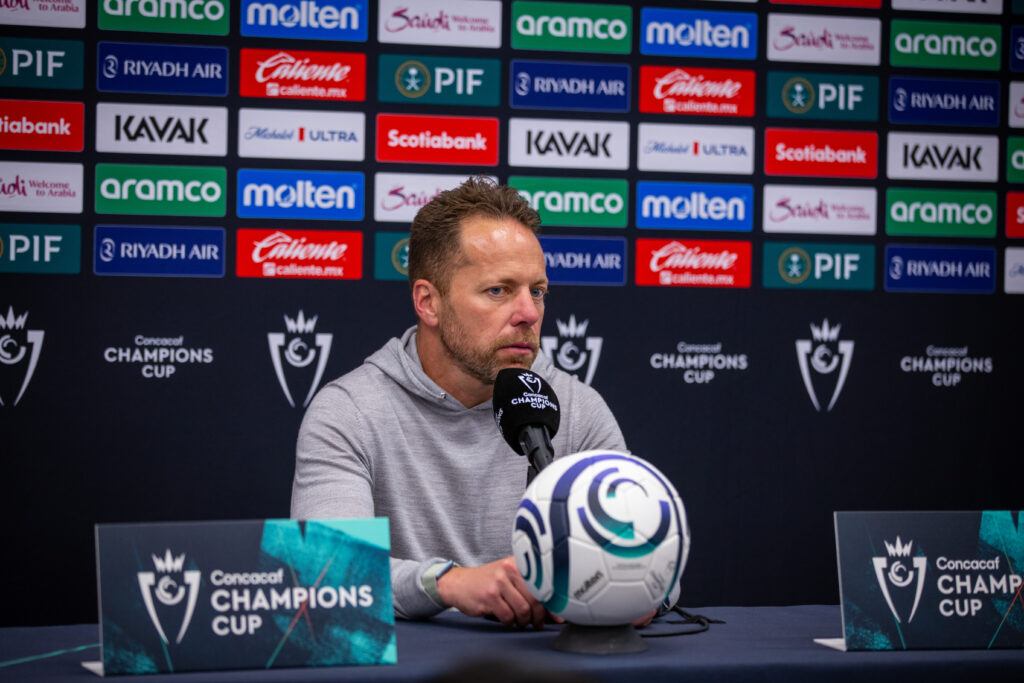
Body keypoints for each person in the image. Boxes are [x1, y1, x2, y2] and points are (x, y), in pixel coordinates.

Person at [290, 177, 628, 628]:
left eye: (538, 291)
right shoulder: (348, 411)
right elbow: (325, 571)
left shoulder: (576, 407)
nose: (529, 313)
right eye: (499, 291)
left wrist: (635, 586)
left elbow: (647, 556)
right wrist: (447, 583)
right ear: (428, 302)